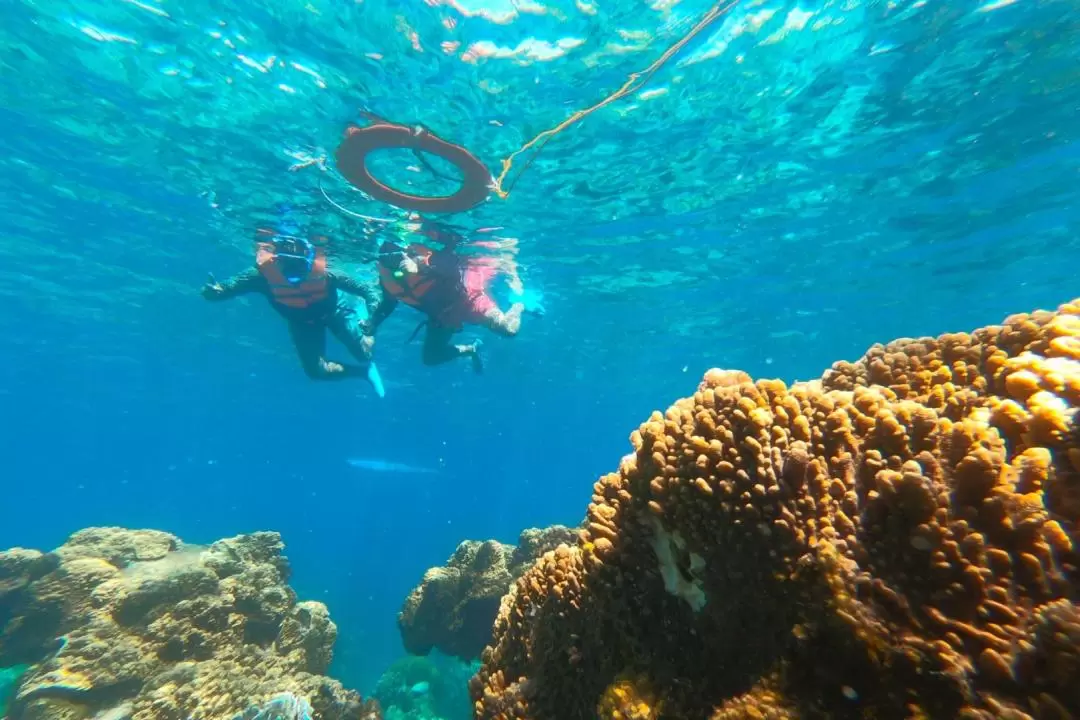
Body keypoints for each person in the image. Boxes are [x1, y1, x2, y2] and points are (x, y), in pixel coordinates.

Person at [202, 216, 386, 396]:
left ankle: (364, 348)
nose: (293, 266)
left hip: (335, 310)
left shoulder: (327, 273)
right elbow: (226, 289)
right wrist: (214, 292)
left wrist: (372, 319)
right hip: (302, 323)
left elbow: (368, 290)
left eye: (298, 261)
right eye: (286, 259)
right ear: (275, 257)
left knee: (364, 353)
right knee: (316, 371)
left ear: (308, 255)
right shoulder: (260, 275)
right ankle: (364, 373)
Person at [361, 225, 543, 374]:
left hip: (468, 300)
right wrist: (374, 322)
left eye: (398, 253)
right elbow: (389, 302)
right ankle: (470, 349)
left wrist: (423, 266)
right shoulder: (387, 278)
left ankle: (518, 305)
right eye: (388, 256)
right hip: (441, 316)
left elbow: (453, 247)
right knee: (431, 358)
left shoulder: (428, 257)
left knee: (508, 329)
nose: (395, 258)